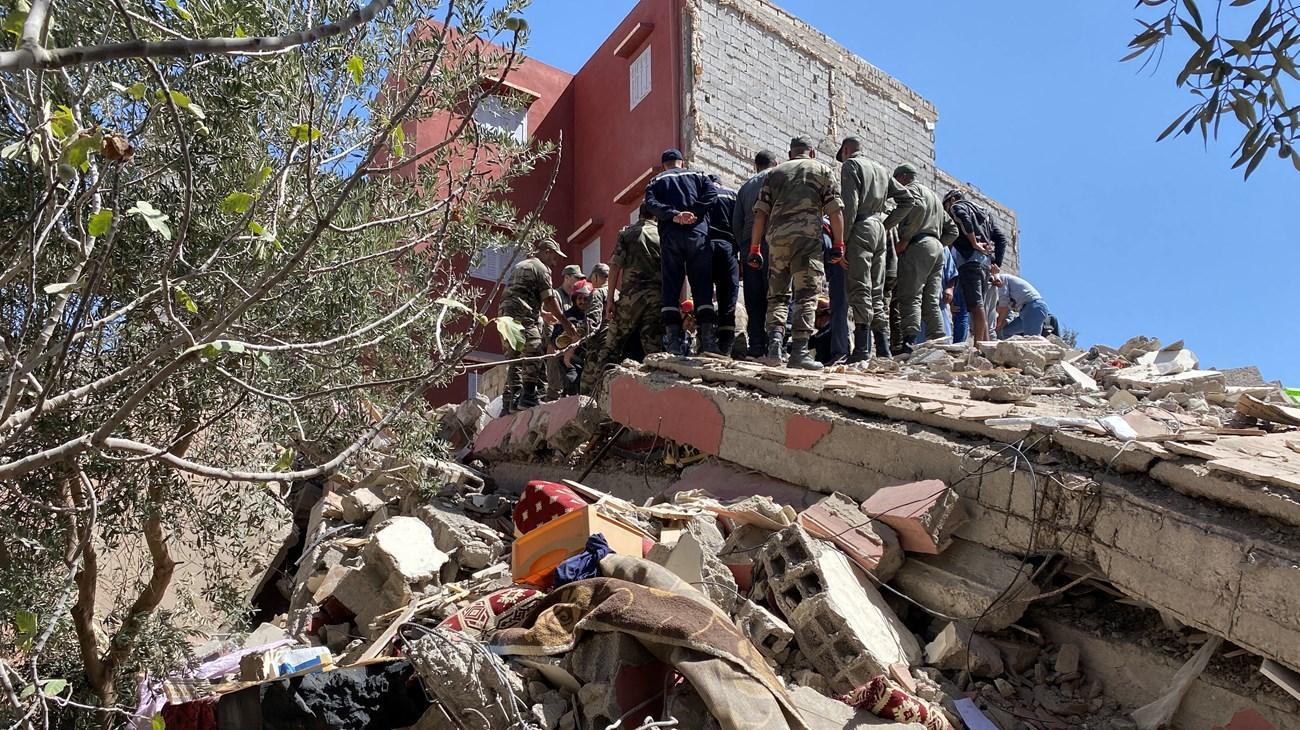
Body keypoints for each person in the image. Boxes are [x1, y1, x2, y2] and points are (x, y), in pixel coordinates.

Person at [749, 136, 845, 371]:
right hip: (807, 239)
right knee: (806, 294)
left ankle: (774, 349)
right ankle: (799, 352)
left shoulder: (775, 173)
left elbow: (760, 214)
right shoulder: (822, 169)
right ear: (811, 152)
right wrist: (839, 244)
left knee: (778, 295)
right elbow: (835, 210)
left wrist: (754, 248)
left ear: (791, 153)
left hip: (777, 240)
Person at [836, 136, 910, 362]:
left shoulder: (851, 165)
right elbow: (907, 200)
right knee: (877, 293)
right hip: (879, 229)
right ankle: (884, 350)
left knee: (859, 288)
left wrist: (842, 242)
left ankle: (861, 351)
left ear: (846, 150)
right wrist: (886, 225)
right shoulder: (881, 169)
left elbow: (850, 205)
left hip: (860, 227)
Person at [580, 205, 663, 394]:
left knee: (611, 345)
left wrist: (610, 299)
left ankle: (596, 392)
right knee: (653, 349)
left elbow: (615, 267)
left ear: (640, 215)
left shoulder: (627, 234)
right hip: (657, 298)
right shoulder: (663, 235)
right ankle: (655, 393)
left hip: (630, 298)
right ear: (656, 217)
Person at [644, 148, 717, 356]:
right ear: (681, 162)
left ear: (664, 165)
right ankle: (708, 342)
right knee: (702, 284)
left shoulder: (655, 181)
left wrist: (675, 215)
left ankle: (674, 342)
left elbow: (651, 204)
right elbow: (712, 195)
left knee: (671, 285)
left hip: (671, 236)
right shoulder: (699, 175)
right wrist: (694, 212)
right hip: (697, 234)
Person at [883, 163, 958, 355]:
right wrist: (939, 245)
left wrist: (906, 238)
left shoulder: (912, 190)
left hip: (918, 246)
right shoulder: (933, 196)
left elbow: (913, 207)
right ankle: (939, 338)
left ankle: (909, 342)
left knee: (910, 295)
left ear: (902, 177)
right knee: (931, 299)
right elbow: (953, 230)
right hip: (936, 249)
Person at [499, 238, 576, 413]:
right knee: (534, 350)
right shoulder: (541, 268)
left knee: (515, 357)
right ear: (547, 252)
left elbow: (518, 293)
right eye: (554, 257)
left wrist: (543, 314)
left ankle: (513, 400)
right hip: (522, 316)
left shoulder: (520, 266)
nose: (555, 262)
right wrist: (565, 323)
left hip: (505, 316)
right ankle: (528, 397)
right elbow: (549, 299)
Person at [943, 189, 1010, 344]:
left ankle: (979, 346)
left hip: (970, 262)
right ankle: (986, 345)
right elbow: (1001, 238)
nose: (947, 211)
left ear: (952, 199)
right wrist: (996, 264)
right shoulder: (985, 213)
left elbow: (963, 218)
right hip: (984, 265)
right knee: (980, 308)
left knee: (975, 306)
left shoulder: (957, 206)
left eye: (945, 205)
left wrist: (973, 242)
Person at [732, 150, 778, 357]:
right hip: (775, 244)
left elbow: (737, 223)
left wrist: (744, 248)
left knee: (754, 296)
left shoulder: (745, 187)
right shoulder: (779, 178)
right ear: (775, 163)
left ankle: (757, 345)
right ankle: (777, 345)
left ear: (755, 166)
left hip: (750, 248)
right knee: (777, 294)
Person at [705, 174, 739, 355]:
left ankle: (706, 343)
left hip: (705, 248)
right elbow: (740, 223)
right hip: (728, 248)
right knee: (728, 298)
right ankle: (725, 349)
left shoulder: (702, 194)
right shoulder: (732, 195)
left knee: (704, 295)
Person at [821, 216, 850, 363]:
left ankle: (840, 352)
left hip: (843, 248)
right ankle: (864, 350)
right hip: (866, 238)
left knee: (839, 303)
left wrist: (841, 246)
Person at [994, 273, 1053, 339]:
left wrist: (998, 323)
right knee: (1005, 332)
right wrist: (1000, 326)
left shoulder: (1001, 279)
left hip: (1033, 307)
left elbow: (1003, 306)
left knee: (1032, 339)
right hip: (1026, 311)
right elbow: (1006, 311)